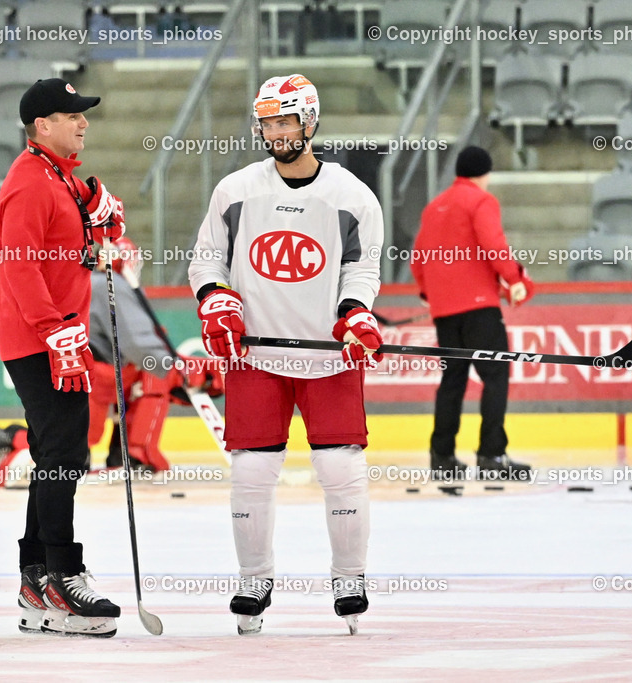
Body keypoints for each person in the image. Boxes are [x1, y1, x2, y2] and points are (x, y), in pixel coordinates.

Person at [187, 74, 384, 635]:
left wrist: (357, 312)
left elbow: (362, 269)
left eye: (285, 121)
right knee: (250, 471)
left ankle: (349, 576)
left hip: (328, 355)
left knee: (340, 467)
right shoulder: (235, 190)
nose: (276, 132)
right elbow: (206, 261)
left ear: (310, 121)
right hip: (257, 355)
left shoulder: (351, 195)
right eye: (268, 123)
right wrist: (218, 304)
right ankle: (255, 578)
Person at [0, 77, 125, 637]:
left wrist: (92, 213)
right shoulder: (29, 182)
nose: (84, 122)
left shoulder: (58, 178)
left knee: (55, 454)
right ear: (42, 125)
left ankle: (37, 578)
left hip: (54, 336)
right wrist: (56, 331)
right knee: (67, 453)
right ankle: (64, 577)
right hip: (43, 340)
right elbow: (17, 264)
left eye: (83, 114)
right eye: (72, 115)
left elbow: (57, 253)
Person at [410, 145, 535, 478]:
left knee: (452, 380)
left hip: (445, 311)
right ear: (485, 173)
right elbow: (493, 243)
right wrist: (514, 277)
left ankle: (442, 456)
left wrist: (427, 291)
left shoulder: (435, 206)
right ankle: (491, 455)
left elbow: (418, 255)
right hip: (479, 307)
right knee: (495, 377)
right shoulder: (481, 201)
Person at [86, 238, 224, 472]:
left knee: (153, 371)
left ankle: (117, 454)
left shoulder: (93, 282)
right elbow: (140, 344)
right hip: (97, 374)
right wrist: (179, 370)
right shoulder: (109, 285)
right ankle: (136, 453)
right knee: (158, 375)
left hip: (87, 371)